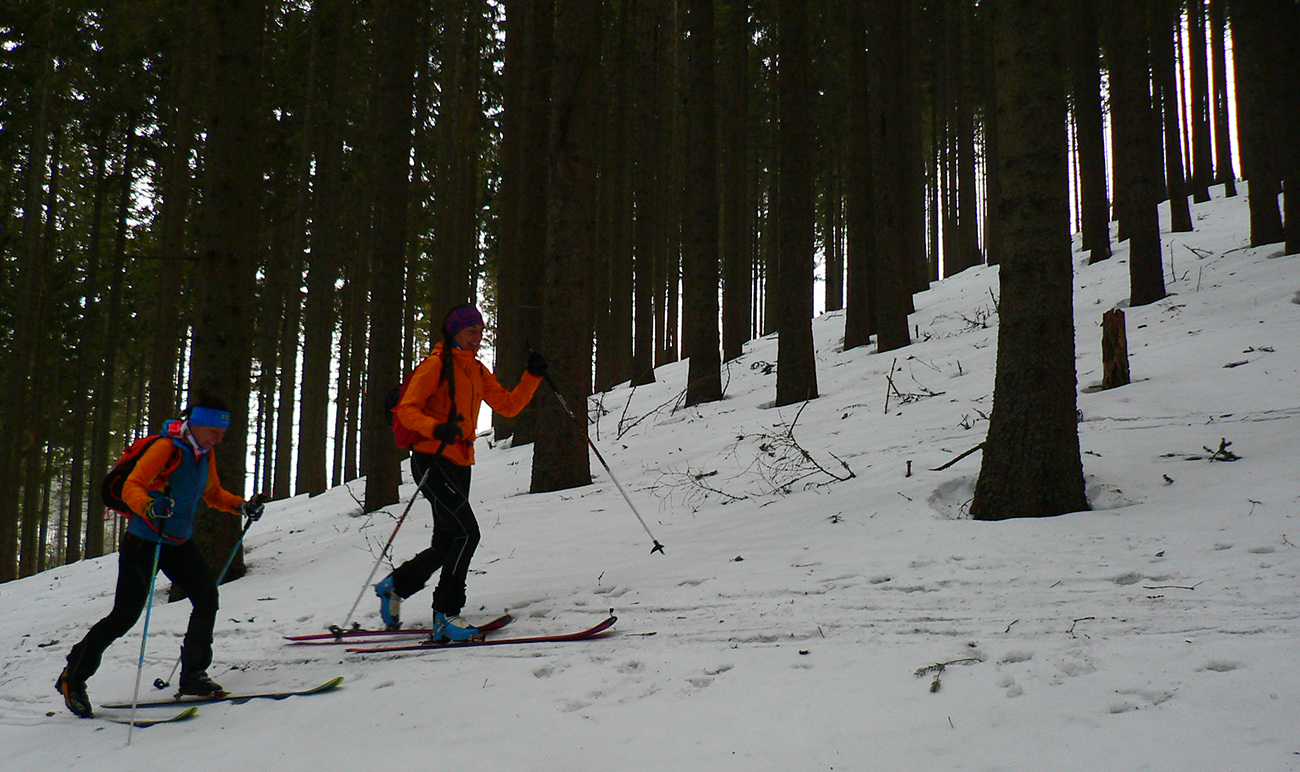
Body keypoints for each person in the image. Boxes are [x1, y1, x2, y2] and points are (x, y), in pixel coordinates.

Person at [56, 397, 266, 718]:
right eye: (214, 431)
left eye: (222, 433)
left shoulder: (203, 453)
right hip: (144, 542)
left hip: (178, 543)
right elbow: (131, 486)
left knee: (207, 598)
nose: (219, 439)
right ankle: (73, 677)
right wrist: (150, 507)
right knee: (124, 616)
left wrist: (241, 506)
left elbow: (212, 494)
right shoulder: (166, 449)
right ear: (196, 424)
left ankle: (193, 674)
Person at [378, 304, 547, 641]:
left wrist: (532, 376)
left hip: (460, 463)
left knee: (447, 542)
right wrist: (436, 428)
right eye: (471, 330)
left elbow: (508, 406)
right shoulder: (435, 366)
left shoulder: (476, 370)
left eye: (480, 331)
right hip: (431, 459)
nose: (477, 337)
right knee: (467, 534)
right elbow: (407, 410)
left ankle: (395, 586)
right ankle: (445, 615)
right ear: (454, 331)